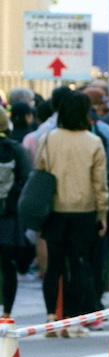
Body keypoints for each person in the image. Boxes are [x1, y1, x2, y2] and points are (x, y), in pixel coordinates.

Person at [34, 94, 106, 332]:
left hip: (54, 210)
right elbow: (99, 184)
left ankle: (51, 315)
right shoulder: (93, 142)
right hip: (84, 210)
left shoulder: (48, 139)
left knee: (53, 266)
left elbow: (39, 171)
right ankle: (74, 317)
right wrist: (102, 214)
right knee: (79, 263)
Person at [0, 111, 29, 318]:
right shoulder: (16, 149)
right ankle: (7, 312)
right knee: (7, 265)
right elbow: (26, 179)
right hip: (8, 216)